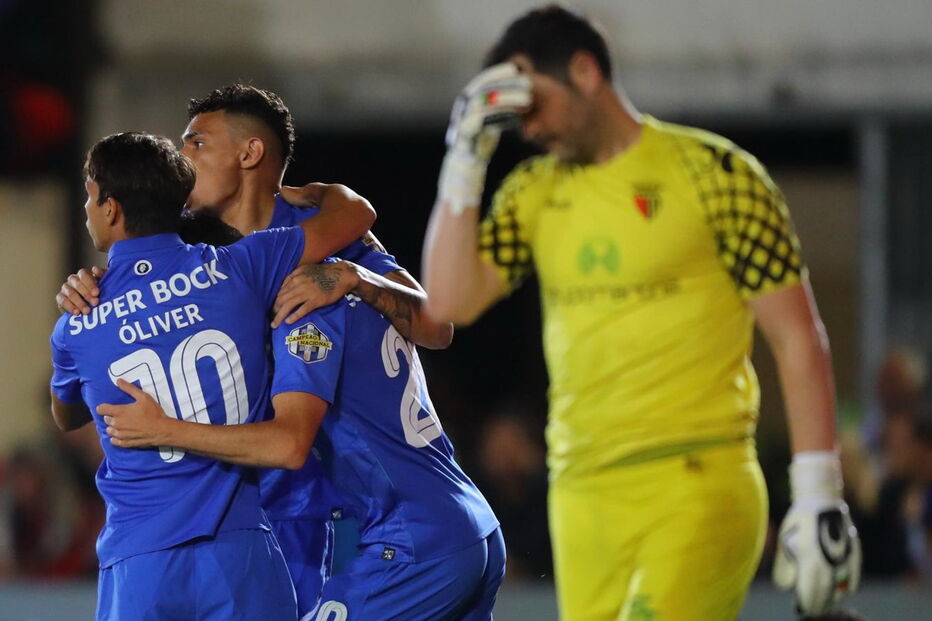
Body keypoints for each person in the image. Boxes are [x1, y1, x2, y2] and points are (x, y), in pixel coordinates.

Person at [421, 5, 860, 619]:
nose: (527, 124)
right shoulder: (533, 191)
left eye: (534, 101)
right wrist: (464, 156)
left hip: (698, 476)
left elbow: (797, 337)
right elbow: (447, 302)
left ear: (585, 71)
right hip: (580, 492)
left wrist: (819, 495)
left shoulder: (717, 175)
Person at [55, 84, 453, 616]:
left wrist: (355, 277)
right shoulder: (213, 255)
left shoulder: (323, 247)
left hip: (348, 517)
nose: (182, 156)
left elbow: (436, 326)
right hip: (255, 521)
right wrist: (93, 285)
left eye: (195, 143)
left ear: (249, 154)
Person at [98, 242, 505, 620]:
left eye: (198, 156)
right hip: (466, 517)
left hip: (411, 538)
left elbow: (289, 443)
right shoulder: (347, 247)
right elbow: (438, 324)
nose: (190, 161)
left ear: (248, 159)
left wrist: (164, 430)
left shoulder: (305, 301)